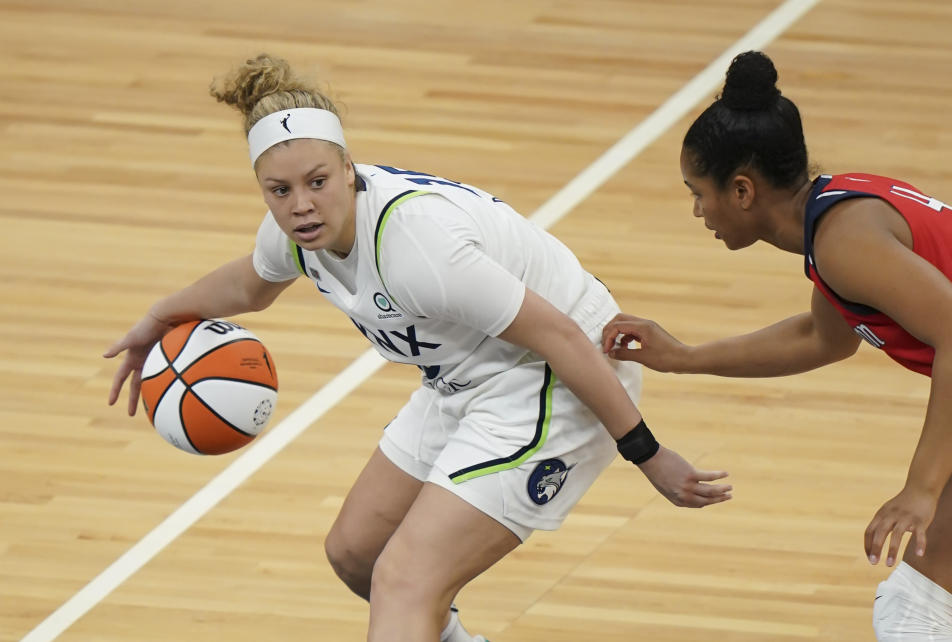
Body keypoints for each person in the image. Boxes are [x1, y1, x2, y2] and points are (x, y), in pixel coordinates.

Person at [104, 53, 732, 642]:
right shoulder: (296, 231)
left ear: (351, 168)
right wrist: (158, 317)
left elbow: (560, 336)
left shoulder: (417, 248)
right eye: (279, 190)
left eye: (318, 181)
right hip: (465, 375)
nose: (300, 206)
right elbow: (249, 282)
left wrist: (648, 455)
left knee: (405, 580)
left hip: (554, 377)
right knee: (357, 555)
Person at [602, 50, 952, 641]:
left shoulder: (845, 240)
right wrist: (685, 357)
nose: (697, 211)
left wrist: (921, 487)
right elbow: (822, 337)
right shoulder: (836, 220)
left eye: (697, 193)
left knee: (916, 608)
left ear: (741, 191)